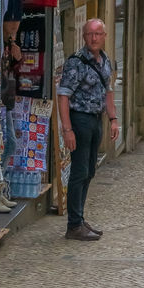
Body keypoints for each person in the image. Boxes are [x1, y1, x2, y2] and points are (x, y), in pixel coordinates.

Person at [56, 18, 120, 240]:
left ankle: (80, 218)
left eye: (98, 34)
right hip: (80, 120)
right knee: (79, 172)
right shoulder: (76, 62)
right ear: (84, 37)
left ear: (104, 36)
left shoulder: (105, 60)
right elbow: (63, 95)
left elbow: (108, 91)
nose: (94, 38)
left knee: (90, 171)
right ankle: (74, 225)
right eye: (89, 34)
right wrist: (67, 129)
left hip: (96, 120)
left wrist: (113, 118)